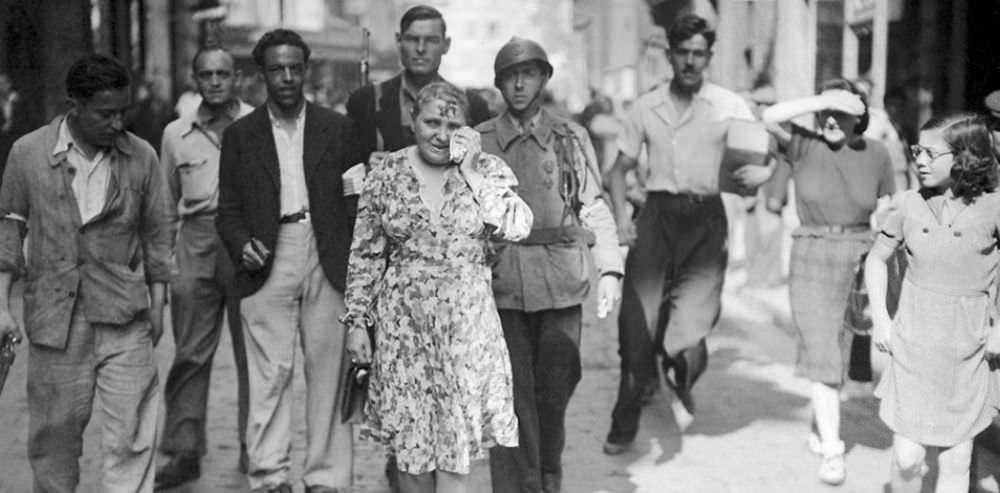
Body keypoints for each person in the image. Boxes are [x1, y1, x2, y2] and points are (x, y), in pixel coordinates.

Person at [342, 81, 528, 493]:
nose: (441, 134)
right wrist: (356, 322)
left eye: (452, 123)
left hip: (465, 334)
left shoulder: (486, 171)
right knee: (410, 461)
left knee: (454, 459)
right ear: (413, 120)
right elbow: (365, 255)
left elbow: (517, 226)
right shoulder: (387, 173)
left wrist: (473, 170)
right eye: (431, 122)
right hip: (403, 334)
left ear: (468, 129)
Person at [0, 53, 171, 492]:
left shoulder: (142, 157)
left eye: (123, 112)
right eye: (105, 113)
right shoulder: (28, 153)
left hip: (124, 315)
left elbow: (157, 234)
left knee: (133, 436)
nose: (117, 123)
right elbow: (9, 232)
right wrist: (2, 306)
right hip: (56, 321)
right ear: (74, 104)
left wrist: (158, 304)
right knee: (54, 439)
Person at [602, 14, 772, 455]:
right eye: (684, 53)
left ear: (709, 57)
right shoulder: (645, 106)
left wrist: (761, 173)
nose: (691, 61)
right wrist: (621, 217)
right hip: (656, 217)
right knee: (636, 327)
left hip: (705, 220)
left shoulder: (729, 106)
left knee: (691, 329)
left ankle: (681, 372)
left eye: (699, 54)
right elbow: (617, 170)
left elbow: (762, 155)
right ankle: (624, 424)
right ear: (671, 55)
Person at [476, 38, 623, 493]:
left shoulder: (569, 138)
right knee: (511, 398)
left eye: (529, 73)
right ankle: (523, 487)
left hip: (559, 282)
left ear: (543, 79)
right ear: (499, 83)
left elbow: (593, 206)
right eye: (510, 75)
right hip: (500, 286)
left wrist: (611, 270)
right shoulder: (478, 141)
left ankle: (546, 476)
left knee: (554, 392)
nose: (519, 83)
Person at [215, 29, 359, 493]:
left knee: (329, 373)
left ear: (307, 70)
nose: (287, 77)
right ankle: (270, 476)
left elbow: (357, 199)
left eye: (296, 68)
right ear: (262, 74)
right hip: (267, 256)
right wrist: (242, 245)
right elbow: (229, 210)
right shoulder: (241, 135)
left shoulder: (336, 127)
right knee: (269, 375)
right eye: (277, 69)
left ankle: (327, 479)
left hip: (326, 252)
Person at [761, 78, 895, 485]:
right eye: (826, 112)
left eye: (842, 112)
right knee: (822, 348)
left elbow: (887, 207)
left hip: (859, 252)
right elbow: (769, 116)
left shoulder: (877, 153)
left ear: (860, 117)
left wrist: (883, 260)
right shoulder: (803, 143)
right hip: (812, 253)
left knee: (842, 347)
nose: (832, 119)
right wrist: (822, 98)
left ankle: (822, 424)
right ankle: (834, 449)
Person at [866, 113, 1000, 493]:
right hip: (914, 346)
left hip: (968, 351)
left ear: (964, 156)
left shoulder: (994, 207)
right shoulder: (909, 204)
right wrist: (881, 318)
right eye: (917, 151)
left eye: (930, 152)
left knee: (957, 460)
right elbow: (876, 260)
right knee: (907, 460)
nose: (919, 160)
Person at [155, 46, 255, 488]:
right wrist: (169, 262)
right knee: (191, 353)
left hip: (248, 244)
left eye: (223, 73)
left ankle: (257, 446)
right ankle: (184, 449)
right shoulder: (176, 134)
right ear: (195, 79)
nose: (215, 82)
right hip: (196, 241)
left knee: (255, 353)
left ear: (236, 77)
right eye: (206, 74)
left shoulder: (257, 122)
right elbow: (164, 206)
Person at [346, 4, 491, 171]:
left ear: (446, 44)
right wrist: (365, 167)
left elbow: (483, 170)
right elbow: (344, 166)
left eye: (431, 40)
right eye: (412, 39)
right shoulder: (366, 101)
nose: (421, 49)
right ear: (399, 41)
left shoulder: (472, 105)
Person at [0, 72, 30, 172]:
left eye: (3, 84)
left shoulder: (19, 101)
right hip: (3, 145)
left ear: (9, 85)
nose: (1, 87)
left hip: (19, 142)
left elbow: (27, 121)